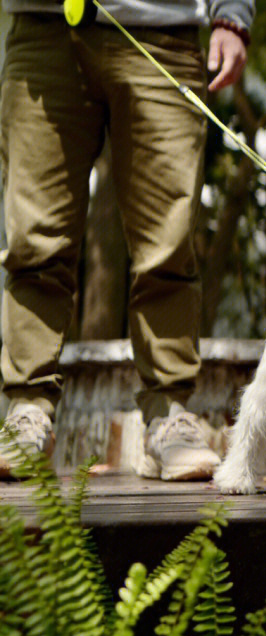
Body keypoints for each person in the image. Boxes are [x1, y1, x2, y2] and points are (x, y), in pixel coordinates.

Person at [0, 0, 253, 480]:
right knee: (34, 241)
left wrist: (233, 13)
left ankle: (169, 416)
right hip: (43, 29)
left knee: (169, 244)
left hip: (164, 30)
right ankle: (26, 411)